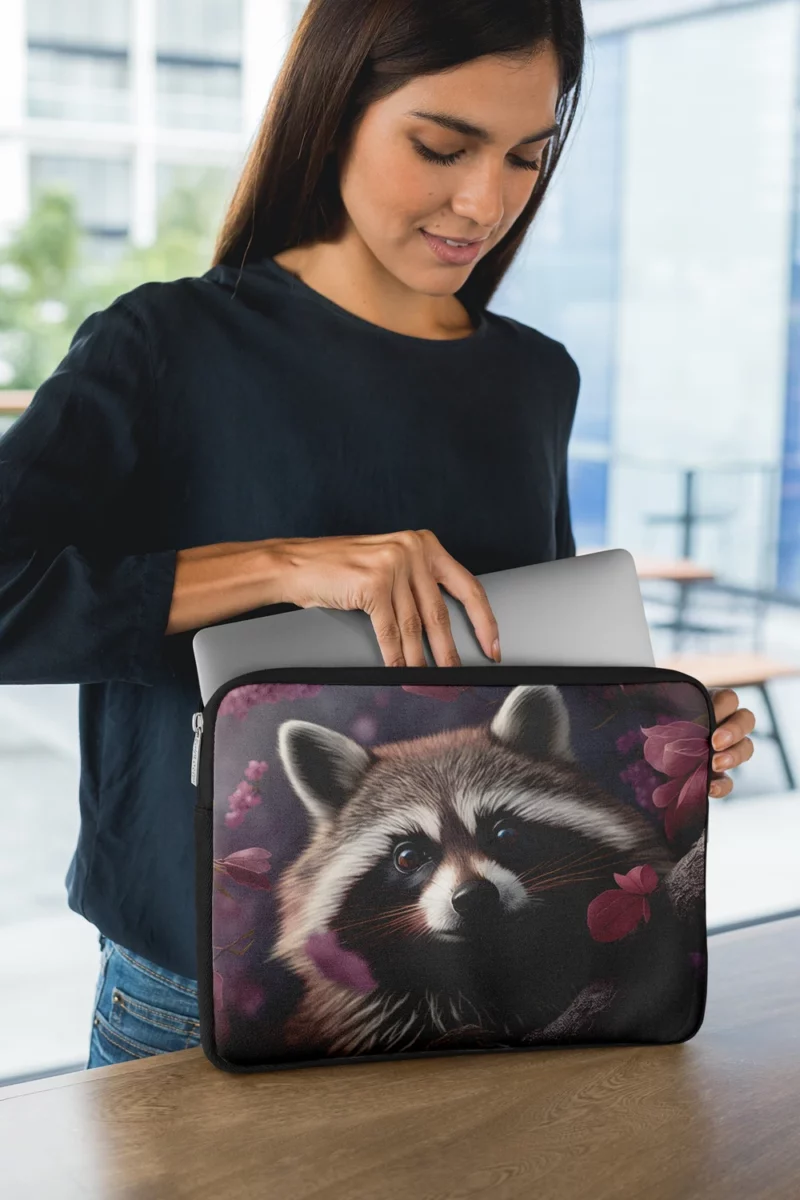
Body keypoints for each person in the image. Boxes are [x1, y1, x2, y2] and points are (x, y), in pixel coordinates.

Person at [0, 0, 755, 1069]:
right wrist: (287, 567)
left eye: (524, 158)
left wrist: (652, 735)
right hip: (194, 996)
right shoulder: (164, 345)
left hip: (504, 993)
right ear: (332, 109)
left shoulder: (534, 378)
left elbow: (517, 672)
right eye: (440, 147)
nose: (482, 201)